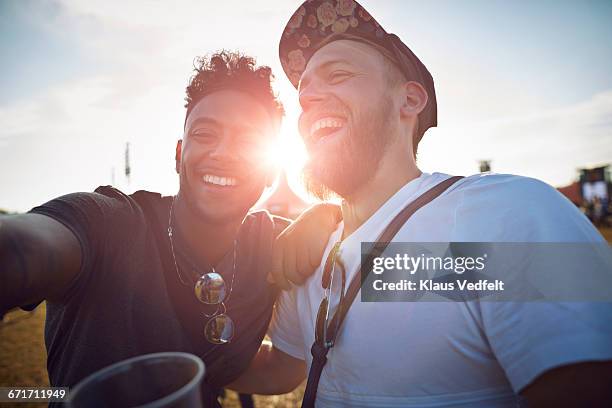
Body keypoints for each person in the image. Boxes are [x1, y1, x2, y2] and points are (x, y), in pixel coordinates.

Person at [229, 1, 612, 406]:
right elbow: (285, 368)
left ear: (409, 100)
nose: (310, 99)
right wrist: (183, 356)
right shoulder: (308, 252)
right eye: (304, 95)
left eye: (338, 75)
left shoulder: (503, 213)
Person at [0, 50, 338, 406]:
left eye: (248, 140)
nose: (223, 152)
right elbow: (25, 248)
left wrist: (331, 214)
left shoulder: (272, 243)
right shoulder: (110, 223)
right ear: (179, 155)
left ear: (271, 169)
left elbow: (278, 370)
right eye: (206, 134)